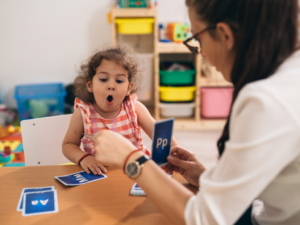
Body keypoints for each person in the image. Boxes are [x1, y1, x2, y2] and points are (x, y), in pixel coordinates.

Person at [93, 0, 300, 225]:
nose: (200, 54)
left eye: (197, 40)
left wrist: (131, 159)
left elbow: (203, 218)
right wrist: (207, 177)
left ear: (225, 35)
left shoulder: (267, 102)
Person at [62, 45, 179, 175]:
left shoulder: (134, 108)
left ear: (129, 88)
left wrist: (175, 154)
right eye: (103, 79)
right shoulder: (83, 113)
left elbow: (161, 136)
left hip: (137, 172)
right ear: (90, 85)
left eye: (119, 80)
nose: (111, 86)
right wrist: (84, 158)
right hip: (101, 174)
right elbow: (68, 145)